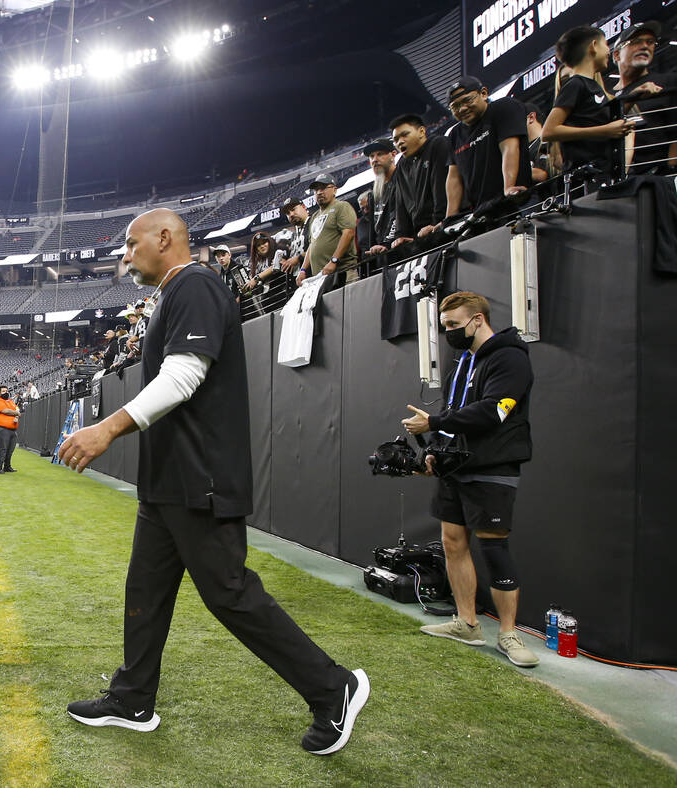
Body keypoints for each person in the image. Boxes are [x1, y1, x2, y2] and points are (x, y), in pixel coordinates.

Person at [58, 208, 368, 755]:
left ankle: (332, 687)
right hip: (169, 481)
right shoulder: (172, 295)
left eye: (131, 245)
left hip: (200, 477)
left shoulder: (196, 284)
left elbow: (184, 376)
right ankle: (133, 699)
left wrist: (107, 427)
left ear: (164, 238)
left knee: (229, 595)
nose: (125, 257)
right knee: (146, 591)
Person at [401, 291, 538, 668]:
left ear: (477, 320)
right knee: (452, 542)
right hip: (455, 468)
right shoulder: (463, 362)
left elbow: (493, 412)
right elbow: (452, 411)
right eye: (445, 326)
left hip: (493, 468)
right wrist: (433, 450)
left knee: (495, 548)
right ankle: (467, 623)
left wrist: (436, 422)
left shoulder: (510, 358)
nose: (448, 333)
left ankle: (509, 634)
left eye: (453, 325)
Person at [542, 25, 634, 175]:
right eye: (605, 44)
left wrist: (636, 94)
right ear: (594, 46)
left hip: (604, 173)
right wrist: (604, 131)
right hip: (587, 180)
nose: (608, 51)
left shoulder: (593, 87)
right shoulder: (576, 84)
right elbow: (549, 131)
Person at [443, 76, 532, 217]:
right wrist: (450, 217)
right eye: (455, 107)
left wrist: (509, 187)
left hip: (517, 202)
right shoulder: (454, 134)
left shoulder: (503, 107)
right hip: (483, 213)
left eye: (467, 100)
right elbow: (454, 176)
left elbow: (509, 148)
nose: (462, 109)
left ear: (483, 93)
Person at [612, 21, 676, 173]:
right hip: (623, 180)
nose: (645, 46)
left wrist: (672, 173)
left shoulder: (669, 82)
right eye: (636, 42)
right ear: (616, 55)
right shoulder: (607, 96)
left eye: (650, 42)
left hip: (660, 177)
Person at [388, 113, 451, 247]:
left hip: (443, 227)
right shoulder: (402, 165)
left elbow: (442, 189)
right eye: (396, 139)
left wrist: (437, 223)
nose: (399, 142)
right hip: (420, 236)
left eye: (405, 135)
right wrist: (401, 237)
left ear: (421, 131)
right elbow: (401, 206)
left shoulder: (438, 145)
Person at [297, 172, 358, 286]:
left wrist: (333, 260)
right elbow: (312, 244)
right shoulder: (314, 216)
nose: (319, 192)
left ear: (334, 190)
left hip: (342, 272)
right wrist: (303, 270)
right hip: (320, 278)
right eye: (316, 190)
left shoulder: (341, 206)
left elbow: (348, 233)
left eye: (324, 188)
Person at [362, 139, 399, 255]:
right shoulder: (373, 193)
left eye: (380, 154)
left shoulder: (402, 179)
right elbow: (374, 228)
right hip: (382, 254)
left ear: (393, 155)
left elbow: (399, 215)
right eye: (371, 156)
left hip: (400, 247)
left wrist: (387, 243)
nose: (374, 160)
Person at [0, 385, 19, 473]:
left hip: (12, 429)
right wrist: (16, 413)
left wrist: (17, 416)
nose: (6, 392)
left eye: (6, 391)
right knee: (3, 448)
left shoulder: (10, 401)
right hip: (2, 428)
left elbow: (17, 410)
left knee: (10, 449)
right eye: (3, 391)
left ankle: (7, 466)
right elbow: (6, 411)